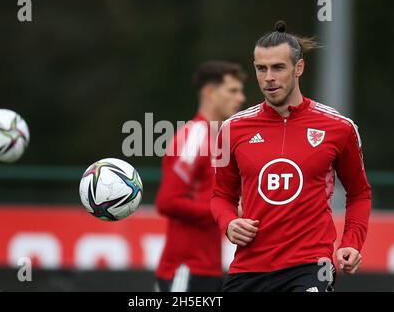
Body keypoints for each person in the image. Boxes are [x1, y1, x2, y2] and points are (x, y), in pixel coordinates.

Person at [211, 21, 372, 292]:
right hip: (249, 268)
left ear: (298, 68)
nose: (269, 77)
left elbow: (359, 194)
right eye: (261, 68)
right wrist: (229, 223)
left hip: (310, 266)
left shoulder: (339, 127)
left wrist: (351, 243)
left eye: (278, 67)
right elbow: (220, 196)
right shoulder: (231, 129)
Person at [155, 60, 247, 292]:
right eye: (232, 90)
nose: (241, 98)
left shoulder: (220, 138)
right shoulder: (194, 137)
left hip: (209, 269)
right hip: (184, 270)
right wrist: (224, 213)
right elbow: (167, 201)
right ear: (209, 92)